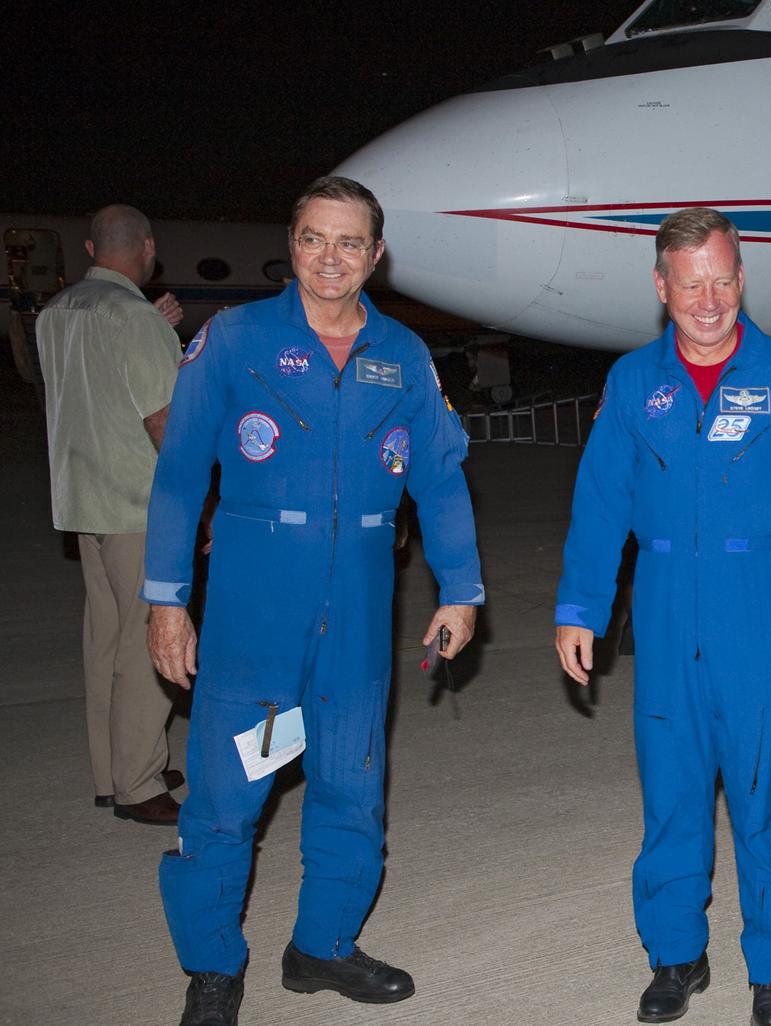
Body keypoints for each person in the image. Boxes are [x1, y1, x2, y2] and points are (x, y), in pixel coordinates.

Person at [143, 176, 484, 1026]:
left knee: (352, 786)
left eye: (349, 243)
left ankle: (322, 947)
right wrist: (166, 599)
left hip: (362, 609)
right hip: (258, 611)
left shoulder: (403, 354)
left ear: (375, 255)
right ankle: (213, 969)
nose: (329, 259)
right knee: (228, 797)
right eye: (312, 239)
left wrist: (462, 588)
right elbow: (182, 479)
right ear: (290, 246)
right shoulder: (234, 339)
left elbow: (440, 481)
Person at [555, 207, 771, 1026]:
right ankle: (676, 956)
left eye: (723, 279)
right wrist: (581, 606)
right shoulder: (630, 383)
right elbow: (599, 503)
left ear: (741, 277)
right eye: (691, 283)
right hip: (659, 608)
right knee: (674, 795)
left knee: (762, 799)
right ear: (662, 286)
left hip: (758, 608)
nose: (710, 300)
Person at [35, 204, 185, 825]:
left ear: (93, 250)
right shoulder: (136, 319)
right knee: (149, 638)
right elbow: (162, 423)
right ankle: (139, 783)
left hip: (82, 500)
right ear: (147, 248)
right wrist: (197, 509)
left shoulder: (55, 313)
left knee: (102, 639)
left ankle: (112, 769)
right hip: (134, 503)